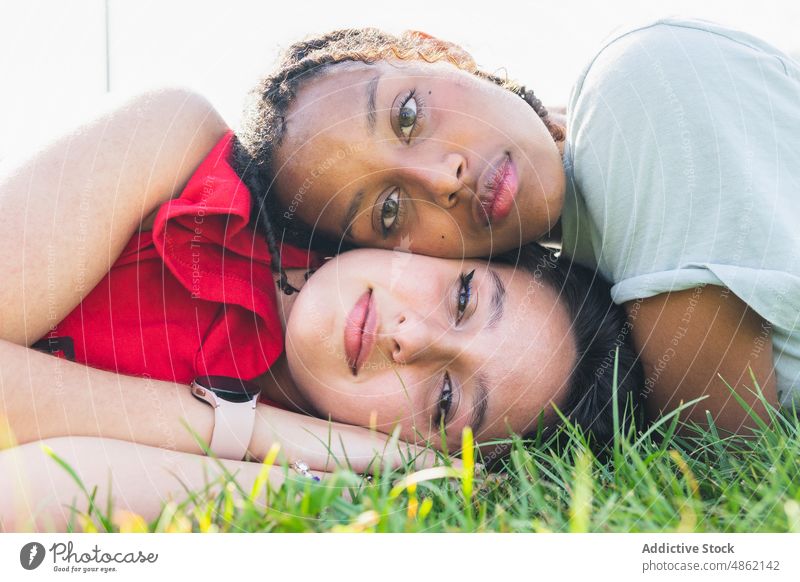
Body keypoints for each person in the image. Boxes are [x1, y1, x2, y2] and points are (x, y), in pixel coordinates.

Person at [0, 94, 641, 530]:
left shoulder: (288, 488)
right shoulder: (180, 148)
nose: (411, 336)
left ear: (419, 452)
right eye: (465, 299)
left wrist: (313, 463)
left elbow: (17, 497)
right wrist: (249, 432)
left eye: (445, 399)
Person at [233, 18, 800, 432]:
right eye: (389, 210)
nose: (443, 176)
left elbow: (721, 442)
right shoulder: (579, 289)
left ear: (439, 51)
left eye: (408, 114)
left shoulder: (635, 90)